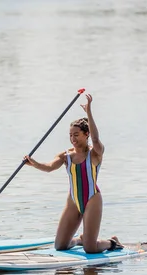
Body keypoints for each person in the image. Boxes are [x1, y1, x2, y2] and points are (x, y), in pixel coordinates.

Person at [23, 94, 123, 253]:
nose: (72, 138)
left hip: (92, 199)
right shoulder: (66, 156)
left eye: (76, 135)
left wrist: (89, 112)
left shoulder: (95, 154)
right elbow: (49, 167)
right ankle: (79, 240)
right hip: (73, 200)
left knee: (91, 249)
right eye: (70, 135)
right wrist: (33, 163)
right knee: (60, 246)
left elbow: (96, 140)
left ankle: (112, 242)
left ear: (86, 134)